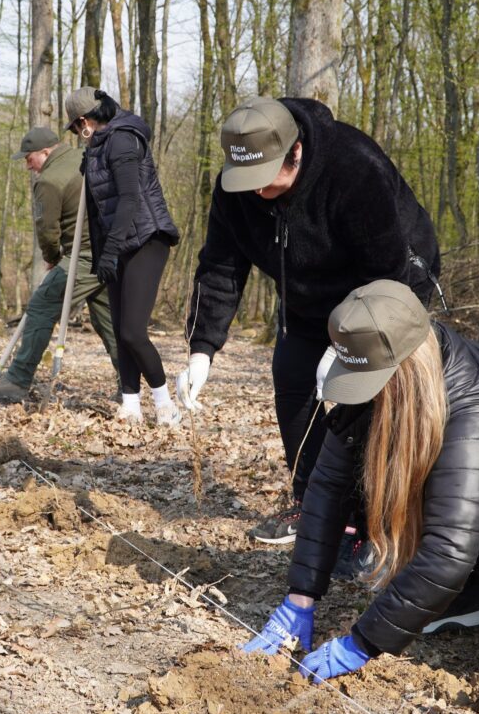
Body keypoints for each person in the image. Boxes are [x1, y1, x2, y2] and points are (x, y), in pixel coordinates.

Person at [176, 96, 441, 545]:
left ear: (295, 151)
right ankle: (314, 504)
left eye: (264, 178)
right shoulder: (234, 191)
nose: (255, 191)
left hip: (389, 288)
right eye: (246, 180)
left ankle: (380, 516)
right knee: (293, 382)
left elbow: (385, 270)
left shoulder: (353, 169)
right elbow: (220, 267)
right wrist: (201, 349)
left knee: (371, 402)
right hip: (305, 298)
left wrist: (345, 348)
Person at [242, 280, 479, 682]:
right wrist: (300, 597)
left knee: (451, 500)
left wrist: (361, 643)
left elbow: (450, 548)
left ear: (402, 369)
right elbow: (328, 485)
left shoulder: (473, 407)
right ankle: (463, 601)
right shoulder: (392, 376)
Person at [0, 126, 119, 402]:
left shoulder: (49, 180)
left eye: (29, 159)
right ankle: (129, 387)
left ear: (45, 152)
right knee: (107, 320)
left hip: (84, 256)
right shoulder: (86, 156)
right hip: (110, 250)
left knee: (41, 306)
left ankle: (16, 381)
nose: (28, 166)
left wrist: (52, 258)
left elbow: (47, 230)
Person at [65, 87, 180, 425]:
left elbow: (130, 199)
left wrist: (109, 251)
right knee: (119, 330)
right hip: (119, 243)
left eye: (76, 127)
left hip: (146, 239)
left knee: (132, 332)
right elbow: (101, 208)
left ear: (85, 120)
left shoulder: (123, 140)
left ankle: (165, 404)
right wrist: (104, 251)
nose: (76, 134)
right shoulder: (99, 146)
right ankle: (131, 404)